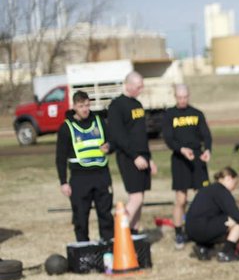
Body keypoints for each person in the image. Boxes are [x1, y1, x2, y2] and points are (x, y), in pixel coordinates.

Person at [55, 90, 114, 242]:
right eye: (81, 106)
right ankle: (83, 251)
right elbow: (60, 157)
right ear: (74, 106)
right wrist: (63, 182)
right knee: (80, 217)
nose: (85, 109)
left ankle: (108, 247)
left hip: (101, 175)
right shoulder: (66, 128)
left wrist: (109, 147)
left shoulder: (99, 121)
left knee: (106, 214)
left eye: (87, 105)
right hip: (80, 178)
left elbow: (112, 141)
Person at [162, 84, 213, 250]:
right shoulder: (170, 115)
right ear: (175, 97)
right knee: (181, 199)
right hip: (180, 160)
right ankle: (179, 232)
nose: (182, 100)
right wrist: (181, 149)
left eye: (185, 97)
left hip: (197, 158)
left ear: (188, 96)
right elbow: (168, 139)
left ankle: (202, 230)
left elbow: (206, 135)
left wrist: (208, 151)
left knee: (203, 197)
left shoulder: (197, 114)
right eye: (179, 97)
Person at [106, 71, 157, 232]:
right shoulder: (117, 106)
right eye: (138, 87)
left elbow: (141, 136)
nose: (141, 90)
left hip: (143, 157)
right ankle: (119, 231)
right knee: (136, 197)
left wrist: (149, 159)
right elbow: (119, 136)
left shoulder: (138, 105)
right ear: (127, 85)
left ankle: (133, 233)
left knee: (140, 199)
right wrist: (135, 156)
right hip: (129, 157)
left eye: (142, 87)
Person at [185, 167, 239, 262]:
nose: (234, 187)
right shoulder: (222, 191)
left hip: (190, 231)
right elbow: (237, 215)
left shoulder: (207, 189)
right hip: (203, 228)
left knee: (222, 220)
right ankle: (226, 252)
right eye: (235, 183)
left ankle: (203, 247)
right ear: (229, 178)